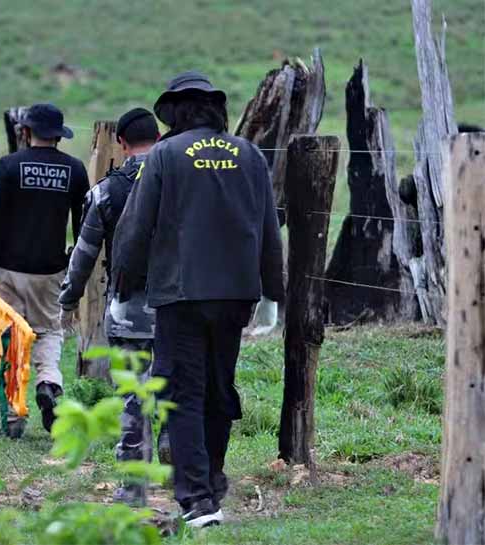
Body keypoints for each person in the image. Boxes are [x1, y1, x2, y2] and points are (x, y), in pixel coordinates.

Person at [113, 71, 284, 528]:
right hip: (235, 294)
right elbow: (269, 226)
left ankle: (198, 501)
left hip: (181, 293)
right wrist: (274, 288)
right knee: (218, 387)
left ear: (177, 112)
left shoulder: (167, 154)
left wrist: (124, 277)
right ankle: (213, 479)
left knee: (183, 393)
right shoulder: (249, 155)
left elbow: (135, 223)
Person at [58, 107, 168, 506]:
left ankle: (134, 488)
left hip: (128, 312)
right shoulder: (181, 183)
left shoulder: (106, 191)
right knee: (180, 387)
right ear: (158, 138)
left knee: (134, 396)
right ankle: (183, 466)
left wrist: (68, 301)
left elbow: (84, 256)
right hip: (179, 309)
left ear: (120, 144)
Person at [0, 103, 89, 437]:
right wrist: (72, 261)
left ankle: (13, 418)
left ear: (26, 131)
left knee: (12, 337)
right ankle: (49, 382)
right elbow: (84, 225)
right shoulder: (75, 170)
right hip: (51, 270)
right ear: (59, 136)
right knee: (49, 331)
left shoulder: (10, 166)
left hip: (9, 269)